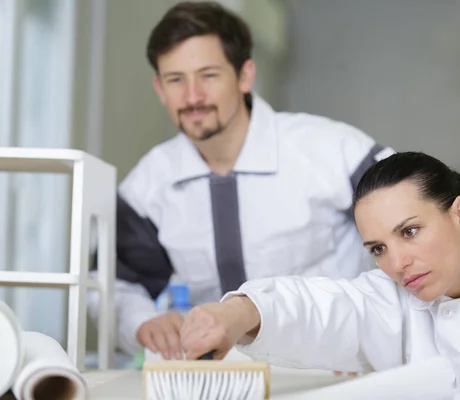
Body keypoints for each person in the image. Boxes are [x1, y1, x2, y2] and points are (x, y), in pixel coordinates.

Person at [87, 1, 394, 358]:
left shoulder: (334, 152)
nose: (192, 96)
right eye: (176, 80)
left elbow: (419, 222)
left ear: (245, 76)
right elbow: (109, 282)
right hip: (219, 380)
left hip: (334, 372)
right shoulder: (150, 185)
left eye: (209, 75)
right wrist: (141, 322)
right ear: (159, 88)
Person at [179, 151, 460, 398]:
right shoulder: (397, 293)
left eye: (410, 232)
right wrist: (239, 313)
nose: (397, 264)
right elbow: (325, 309)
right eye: (378, 249)